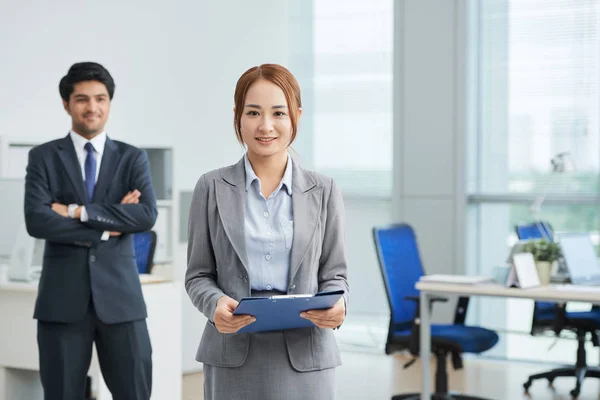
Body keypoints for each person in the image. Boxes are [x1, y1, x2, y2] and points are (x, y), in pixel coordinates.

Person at [185, 63, 349, 400]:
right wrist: (214, 303)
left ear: (296, 116)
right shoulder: (211, 187)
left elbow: (336, 276)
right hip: (232, 350)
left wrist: (339, 306)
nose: (266, 126)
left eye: (278, 113)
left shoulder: (325, 190)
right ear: (237, 116)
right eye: (253, 112)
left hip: (307, 354)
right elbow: (198, 274)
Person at [24, 62, 157, 400]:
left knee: (135, 394)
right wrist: (105, 227)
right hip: (62, 301)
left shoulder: (132, 158)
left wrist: (76, 212)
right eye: (82, 99)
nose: (92, 107)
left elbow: (144, 216)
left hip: (121, 300)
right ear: (67, 104)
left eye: (100, 98)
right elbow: (37, 220)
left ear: (110, 103)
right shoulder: (43, 158)